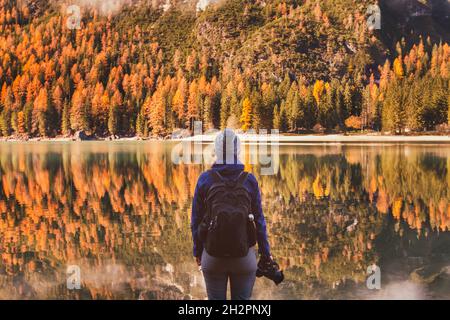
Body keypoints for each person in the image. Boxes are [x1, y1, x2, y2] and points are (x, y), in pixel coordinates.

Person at [191, 128, 273, 300]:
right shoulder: (249, 180)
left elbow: (196, 221)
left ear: (216, 151)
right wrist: (265, 255)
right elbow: (259, 221)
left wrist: (198, 253)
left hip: (212, 256)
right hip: (244, 257)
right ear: (237, 150)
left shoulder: (205, 179)